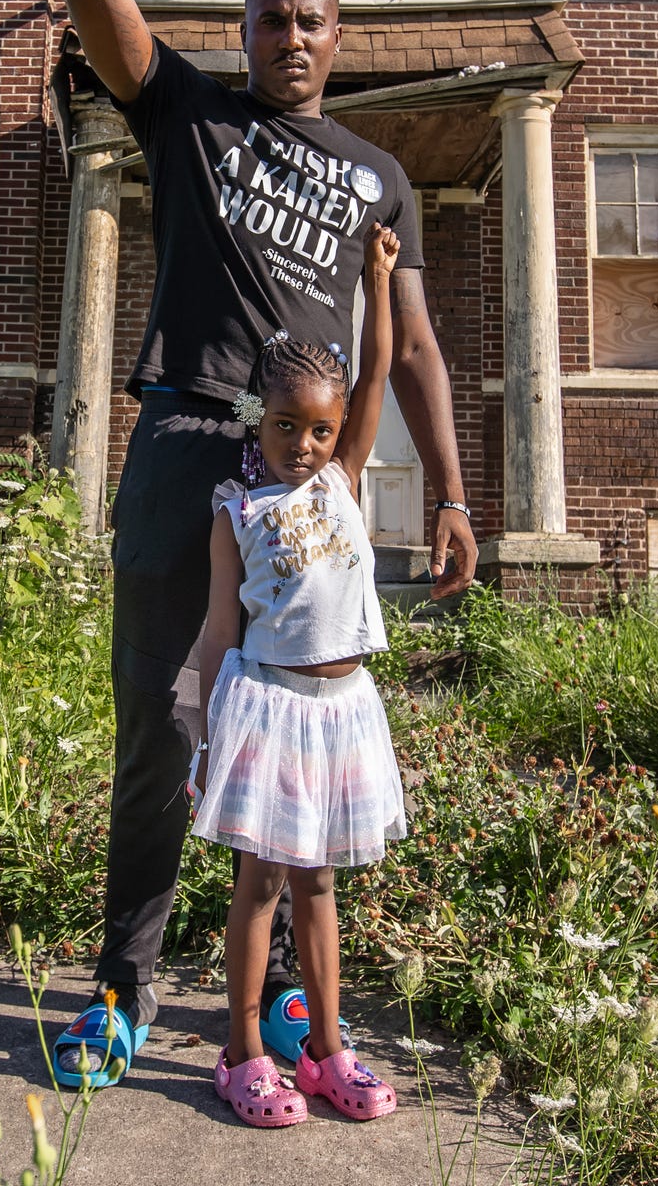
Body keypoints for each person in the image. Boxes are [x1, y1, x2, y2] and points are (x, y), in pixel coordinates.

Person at [48, 0, 478, 1087]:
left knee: (301, 730)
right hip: (186, 442)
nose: (289, 35)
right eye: (268, 18)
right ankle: (120, 987)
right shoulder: (188, 115)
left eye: (310, 20)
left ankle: (288, 996)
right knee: (164, 722)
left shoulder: (377, 176)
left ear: (338, 37)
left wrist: (458, 494)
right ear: (239, 31)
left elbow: (411, 349)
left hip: (313, 491)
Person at [192, 226, 408, 1127]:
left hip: (345, 710)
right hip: (271, 709)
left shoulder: (343, 482)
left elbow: (380, 366)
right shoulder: (237, 510)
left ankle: (325, 1050)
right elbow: (217, 629)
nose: (306, 445)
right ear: (258, 420)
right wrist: (205, 734)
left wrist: (380, 281)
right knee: (263, 884)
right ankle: (242, 1052)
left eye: (321, 428)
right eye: (287, 426)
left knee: (320, 884)